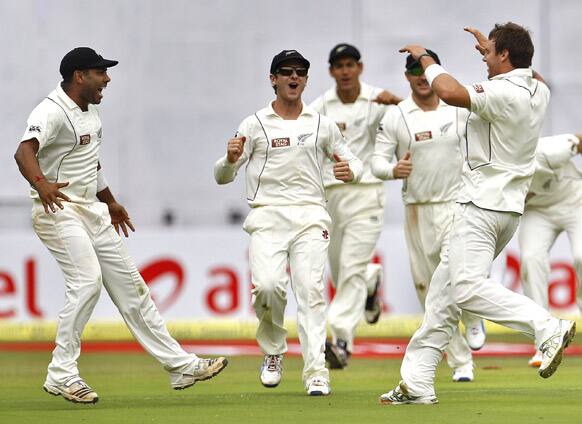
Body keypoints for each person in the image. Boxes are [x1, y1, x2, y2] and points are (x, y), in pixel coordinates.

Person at [14, 47, 227, 405]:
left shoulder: (91, 112)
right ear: (79, 75)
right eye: (101, 72)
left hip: (92, 211)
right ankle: (61, 374)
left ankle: (180, 366)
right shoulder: (50, 110)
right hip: (58, 209)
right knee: (87, 282)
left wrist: (110, 201)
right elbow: (24, 151)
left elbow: (90, 163)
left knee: (132, 288)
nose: (107, 79)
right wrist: (41, 183)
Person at [379, 23, 575, 405]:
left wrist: (426, 59)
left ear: (505, 57)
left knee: (465, 288)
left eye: (489, 53)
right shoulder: (540, 89)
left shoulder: (503, 92)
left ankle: (546, 326)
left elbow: (449, 92)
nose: (483, 58)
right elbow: (526, 68)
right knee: (443, 295)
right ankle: (417, 382)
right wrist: (498, 49)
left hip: (481, 206)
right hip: (506, 209)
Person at [214, 49, 362, 396]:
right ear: (273, 79)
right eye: (286, 72)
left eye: (300, 72)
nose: (293, 77)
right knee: (267, 287)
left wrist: (349, 170)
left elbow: (352, 162)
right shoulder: (255, 124)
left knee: (310, 292)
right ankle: (273, 351)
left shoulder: (321, 124)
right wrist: (229, 158)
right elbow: (222, 176)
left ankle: (316, 371)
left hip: (311, 215)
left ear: (306, 80)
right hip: (267, 215)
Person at [372, 48, 486, 383]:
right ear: (407, 76)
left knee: (460, 273)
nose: (421, 78)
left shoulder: (457, 109)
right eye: (414, 72)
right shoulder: (396, 116)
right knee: (429, 290)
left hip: (456, 203)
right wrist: (394, 169)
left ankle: (474, 315)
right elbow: (377, 162)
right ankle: (461, 361)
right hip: (418, 210)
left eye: (425, 70)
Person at [309, 43, 401, 369]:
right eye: (339, 66)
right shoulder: (320, 106)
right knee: (341, 271)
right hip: (332, 197)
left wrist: (399, 103)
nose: (345, 71)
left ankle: (342, 341)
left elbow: (414, 121)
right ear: (331, 71)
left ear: (359, 67)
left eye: (350, 65)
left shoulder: (377, 99)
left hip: (367, 194)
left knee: (349, 269)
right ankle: (372, 279)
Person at [519, 133, 582, 367]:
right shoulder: (494, 168)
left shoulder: (550, 148)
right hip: (537, 212)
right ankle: (544, 341)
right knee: (530, 260)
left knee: (581, 256)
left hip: (576, 202)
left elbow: (579, 141)